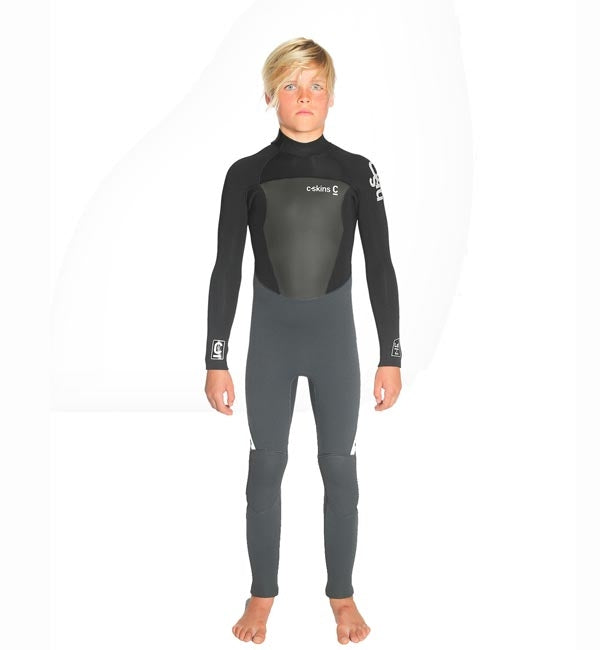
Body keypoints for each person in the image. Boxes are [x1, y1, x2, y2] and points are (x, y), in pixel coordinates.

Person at [204, 37, 402, 645]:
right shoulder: (246, 174)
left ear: (332, 96)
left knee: (339, 470)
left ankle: (342, 595)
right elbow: (226, 270)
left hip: (334, 342)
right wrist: (215, 358)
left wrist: (391, 355)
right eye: (290, 85)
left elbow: (381, 267)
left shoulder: (357, 171)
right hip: (271, 342)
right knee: (266, 468)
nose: (304, 96)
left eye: (315, 85)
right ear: (271, 96)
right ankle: (262, 593)